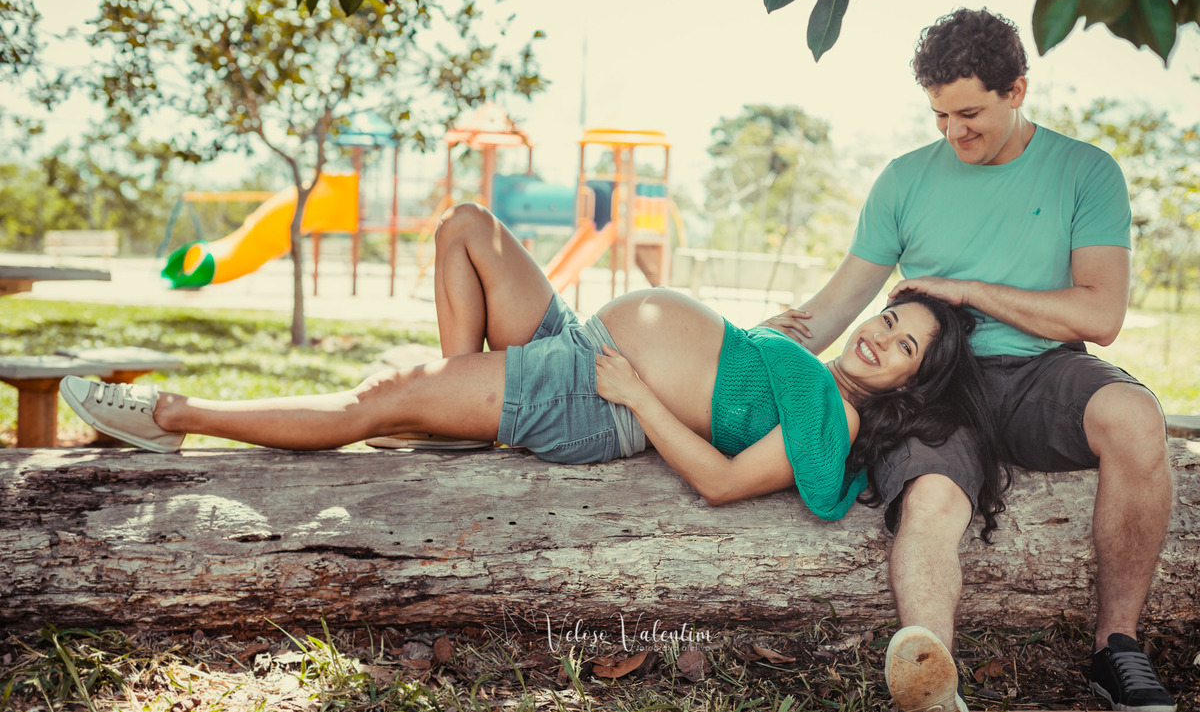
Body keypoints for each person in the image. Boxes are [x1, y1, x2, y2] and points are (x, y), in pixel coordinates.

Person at [762, 9, 1177, 712]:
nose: (954, 133)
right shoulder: (904, 180)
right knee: (929, 497)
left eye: (971, 114)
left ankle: (1117, 646)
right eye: (940, 115)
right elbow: (832, 310)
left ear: (1017, 89)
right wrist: (742, 347)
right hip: (937, 382)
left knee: (1136, 417)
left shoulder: (1086, 171)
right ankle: (932, 676)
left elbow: (1099, 313)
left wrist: (969, 291)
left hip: (1043, 372)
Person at [61, 202, 996, 523]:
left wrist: (637, 392)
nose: (879, 336)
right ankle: (452, 411)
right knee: (465, 226)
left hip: (594, 394)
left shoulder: (831, 425)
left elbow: (717, 481)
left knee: (373, 399)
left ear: (913, 379)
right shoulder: (813, 362)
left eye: (903, 346)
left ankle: (173, 415)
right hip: (577, 339)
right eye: (888, 319)